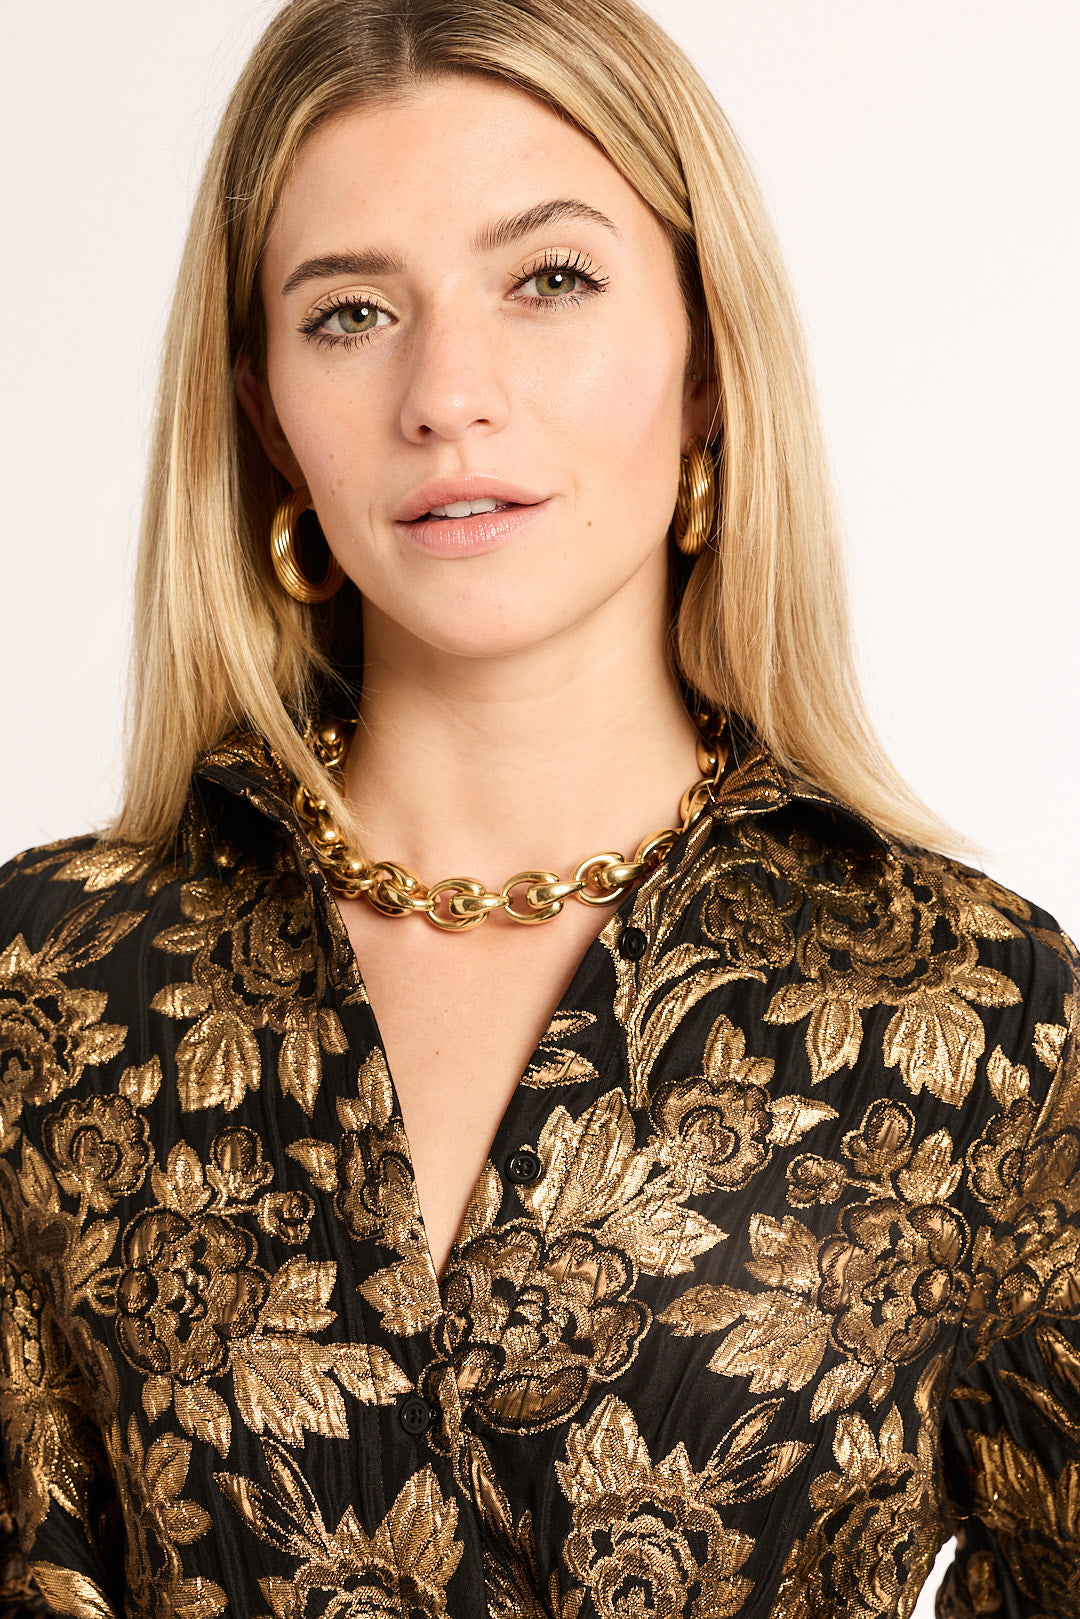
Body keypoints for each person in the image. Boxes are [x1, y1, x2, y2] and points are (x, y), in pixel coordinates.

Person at [0, 0, 1076, 1614]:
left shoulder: (980, 1021)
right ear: (265, 413)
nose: (448, 392)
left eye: (549, 280)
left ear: (709, 358)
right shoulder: (54, 986)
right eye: (351, 311)